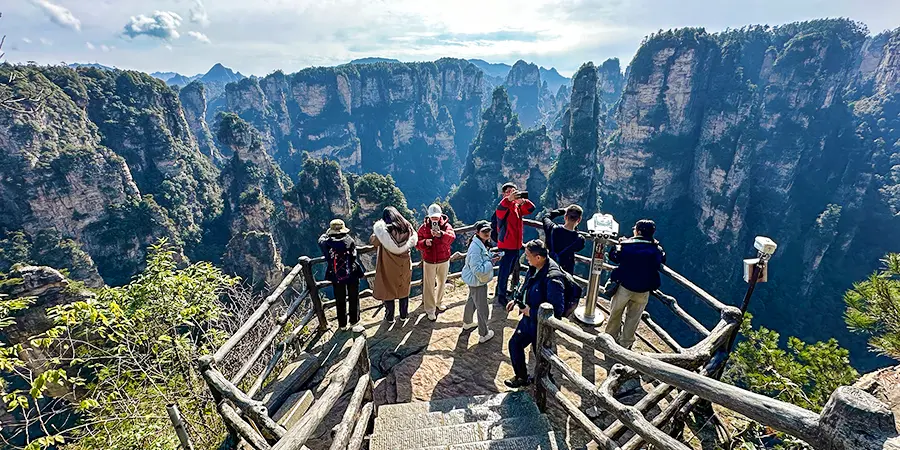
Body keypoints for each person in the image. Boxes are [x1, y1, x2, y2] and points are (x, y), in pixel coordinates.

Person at [504, 239, 566, 389]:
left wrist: (530, 311)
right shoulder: (535, 267)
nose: (525, 258)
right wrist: (516, 300)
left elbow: (557, 310)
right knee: (515, 344)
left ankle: (545, 380)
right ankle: (522, 377)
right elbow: (527, 286)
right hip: (528, 320)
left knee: (541, 352)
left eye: (528, 255)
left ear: (538, 257)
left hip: (541, 324)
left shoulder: (553, 278)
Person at [604, 219, 667, 349]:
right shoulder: (657, 250)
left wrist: (620, 244)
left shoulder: (627, 246)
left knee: (616, 312)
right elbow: (662, 260)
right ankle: (625, 344)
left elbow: (614, 257)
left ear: (637, 231)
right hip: (643, 290)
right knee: (634, 317)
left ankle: (609, 338)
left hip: (624, 286)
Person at [371, 207, 418, 324]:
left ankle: (390, 317)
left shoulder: (383, 231)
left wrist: (375, 234)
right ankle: (403, 315)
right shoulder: (407, 227)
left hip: (389, 265)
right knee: (403, 289)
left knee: (389, 290)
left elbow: (374, 242)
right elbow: (414, 239)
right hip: (404, 264)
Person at [318, 219, 366, 332]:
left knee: (340, 299)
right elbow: (354, 256)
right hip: (352, 273)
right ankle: (354, 321)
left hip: (336, 275)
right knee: (354, 297)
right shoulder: (349, 240)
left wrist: (326, 235)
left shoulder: (326, 244)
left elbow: (320, 240)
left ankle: (342, 324)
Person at [495, 182, 535, 306]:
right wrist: (509, 199)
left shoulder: (516, 207)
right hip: (506, 245)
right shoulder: (504, 207)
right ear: (503, 194)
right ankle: (501, 295)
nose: (511, 193)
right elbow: (500, 209)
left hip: (516, 245)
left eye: (513, 191)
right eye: (508, 192)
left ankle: (500, 290)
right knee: (504, 271)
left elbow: (531, 208)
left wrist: (522, 201)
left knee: (510, 269)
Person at [461, 220, 500, 343]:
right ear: (477, 232)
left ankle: (467, 322)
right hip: (477, 281)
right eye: (484, 231)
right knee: (482, 307)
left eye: (488, 230)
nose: (487, 233)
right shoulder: (475, 249)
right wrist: (491, 262)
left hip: (473, 280)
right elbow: (478, 270)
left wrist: (490, 257)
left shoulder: (480, 243)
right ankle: (484, 334)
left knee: (472, 300)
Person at [416, 204, 456, 321]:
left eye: (436, 217)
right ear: (428, 216)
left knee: (442, 282)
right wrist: (424, 242)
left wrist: (441, 234)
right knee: (429, 285)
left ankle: (438, 302)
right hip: (429, 261)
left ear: (440, 216)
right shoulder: (423, 228)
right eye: (432, 217)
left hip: (443, 259)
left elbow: (452, 238)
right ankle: (430, 309)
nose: (434, 219)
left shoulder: (446, 226)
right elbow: (417, 243)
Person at [542, 205, 585, 275]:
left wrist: (562, 210)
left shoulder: (552, 229)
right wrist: (575, 227)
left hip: (549, 267)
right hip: (565, 272)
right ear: (579, 220)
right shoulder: (579, 240)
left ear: (565, 217)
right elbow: (578, 247)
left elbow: (546, 217)